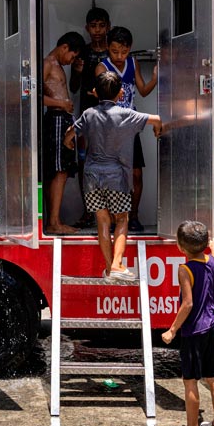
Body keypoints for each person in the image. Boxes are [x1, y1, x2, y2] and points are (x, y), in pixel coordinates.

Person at [65, 71, 162, 280]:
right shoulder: (127, 114)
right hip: (116, 177)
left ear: (94, 92)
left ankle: (110, 269)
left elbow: (70, 133)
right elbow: (156, 120)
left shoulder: (89, 114)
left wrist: (69, 142)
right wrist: (157, 131)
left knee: (102, 221)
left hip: (91, 177)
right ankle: (118, 265)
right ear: (121, 93)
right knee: (121, 219)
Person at [161, 221, 214, 426]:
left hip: (193, 331)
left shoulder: (185, 269)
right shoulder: (209, 261)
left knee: (190, 380)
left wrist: (172, 330)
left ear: (180, 247)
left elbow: (187, 304)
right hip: (211, 327)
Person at [95, 26, 158, 232]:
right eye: (115, 51)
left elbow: (143, 90)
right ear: (107, 48)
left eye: (124, 51)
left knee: (136, 175)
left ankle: (134, 215)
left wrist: (156, 78)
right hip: (111, 132)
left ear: (130, 49)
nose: (120, 56)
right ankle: (115, 218)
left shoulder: (132, 63)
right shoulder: (101, 68)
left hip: (131, 130)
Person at [69, 7, 111, 229]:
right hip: (87, 117)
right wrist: (76, 71)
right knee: (86, 163)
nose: (97, 30)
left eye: (101, 25)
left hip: (112, 117)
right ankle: (89, 210)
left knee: (112, 162)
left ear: (108, 27)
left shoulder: (115, 51)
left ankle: (114, 212)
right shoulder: (82, 53)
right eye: (93, 26)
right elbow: (73, 88)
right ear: (87, 28)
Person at [43, 31, 86, 235]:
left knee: (61, 171)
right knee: (59, 172)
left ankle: (54, 220)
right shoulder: (49, 63)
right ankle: (54, 222)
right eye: (73, 56)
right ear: (64, 47)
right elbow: (34, 95)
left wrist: (77, 72)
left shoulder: (58, 65)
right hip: (56, 118)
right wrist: (60, 103)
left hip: (63, 119)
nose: (72, 60)